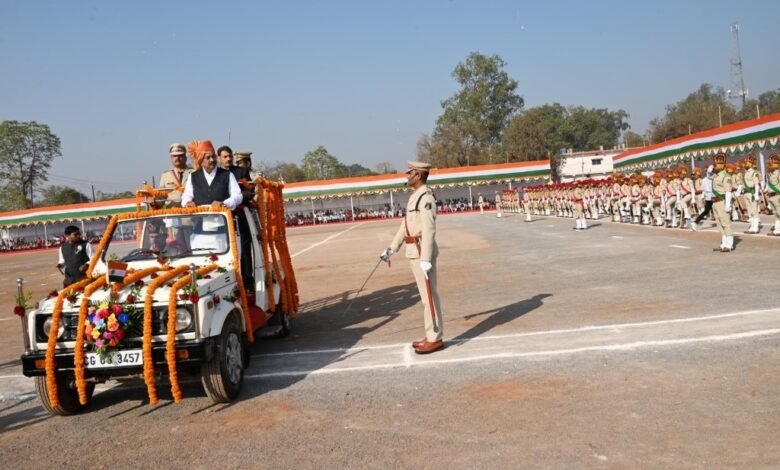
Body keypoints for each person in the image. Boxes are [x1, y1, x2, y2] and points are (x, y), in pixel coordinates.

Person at [380, 161, 444, 355]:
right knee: (425, 297)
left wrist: (425, 258)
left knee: (429, 297)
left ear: (419, 175)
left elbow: (428, 228)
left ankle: (435, 337)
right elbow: (405, 226)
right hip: (413, 250)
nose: (406, 176)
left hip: (420, 250)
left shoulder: (426, 197)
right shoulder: (415, 197)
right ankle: (430, 333)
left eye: (410, 173)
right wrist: (392, 249)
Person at [181, 140, 243, 210]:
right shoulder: (193, 176)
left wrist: (224, 203)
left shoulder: (227, 175)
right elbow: (187, 195)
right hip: (199, 219)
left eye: (213, 156)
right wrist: (188, 202)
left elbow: (238, 196)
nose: (212, 160)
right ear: (201, 161)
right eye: (208, 158)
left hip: (222, 218)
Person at [711, 154, 735, 252]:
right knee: (719, 224)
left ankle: (729, 245)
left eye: (716, 164)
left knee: (726, 223)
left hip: (722, 201)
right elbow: (709, 175)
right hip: (715, 202)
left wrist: (728, 205)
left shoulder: (726, 176)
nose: (714, 166)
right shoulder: (716, 176)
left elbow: (728, 191)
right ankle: (723, 243)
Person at [691, 165, 714, 231]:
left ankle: (695, 222)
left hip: (710, 196)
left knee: (706, 211)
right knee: (706, 210)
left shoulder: (704, 179)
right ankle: (695, 222)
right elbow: (703, 189)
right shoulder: (704, 180)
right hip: (711, 197)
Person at [766, 154, 780, 236]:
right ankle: (777, 230)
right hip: (771, 196)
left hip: (777, 195)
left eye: (773, 163)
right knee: (776, 214)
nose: (770, 164)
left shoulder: (778, 173)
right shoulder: (771, 174)